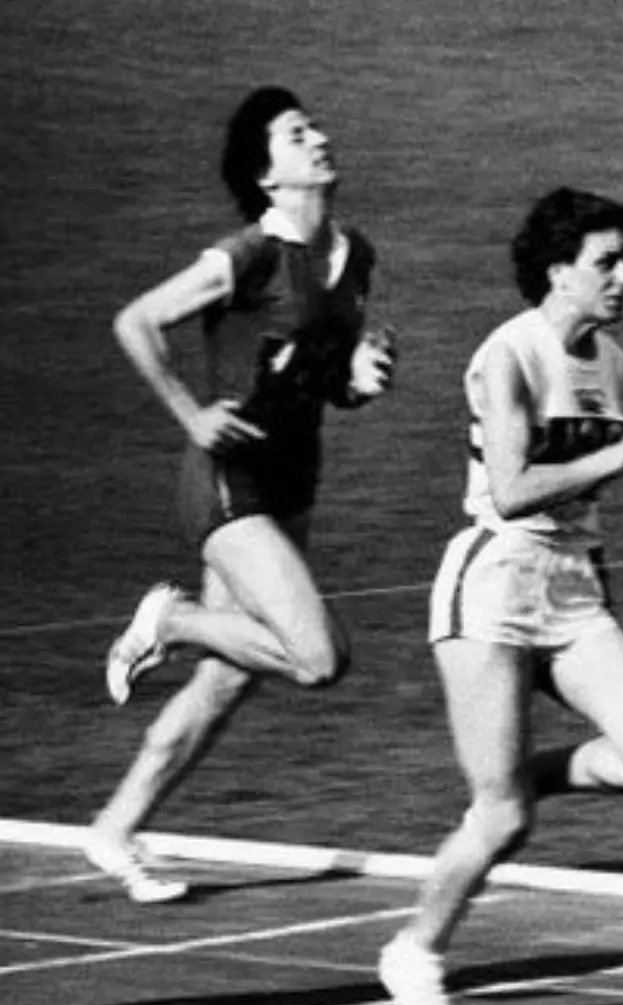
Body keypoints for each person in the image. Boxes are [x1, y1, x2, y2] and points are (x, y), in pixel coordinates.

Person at [376, 186, 623, 1005]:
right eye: (607, 262)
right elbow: (514, 492)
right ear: (559, 271)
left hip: (574, 586)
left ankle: (520, 771)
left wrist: (600, 573)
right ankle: (416, 954)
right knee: (504, 817)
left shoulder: (610, 363)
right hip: (492, 582)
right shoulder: (507, 355)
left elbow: (583, 508)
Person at [88, 86, 396, 904]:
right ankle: (171, 618)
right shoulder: (248, 255)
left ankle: (118, 828)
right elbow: (137, 321)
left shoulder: (353, 255)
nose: (320, 138)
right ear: (267, 174)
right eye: (298, 135)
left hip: (293, 483)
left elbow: (323, 375)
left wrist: (359, 379)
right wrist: (190, 413)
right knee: (319, 658)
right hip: (230, 483)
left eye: (317, 125)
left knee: (225, 681)